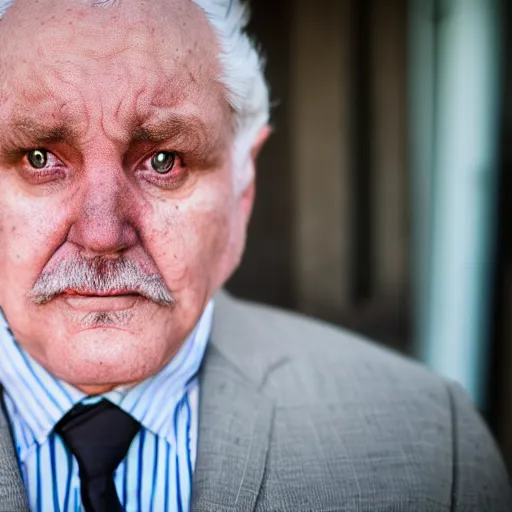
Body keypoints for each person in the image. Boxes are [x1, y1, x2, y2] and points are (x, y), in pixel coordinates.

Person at [0, 0, 509, 511]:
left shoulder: (432, 443)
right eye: (38, 158)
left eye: (163, 160)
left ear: (242, 188)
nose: (102, 233)